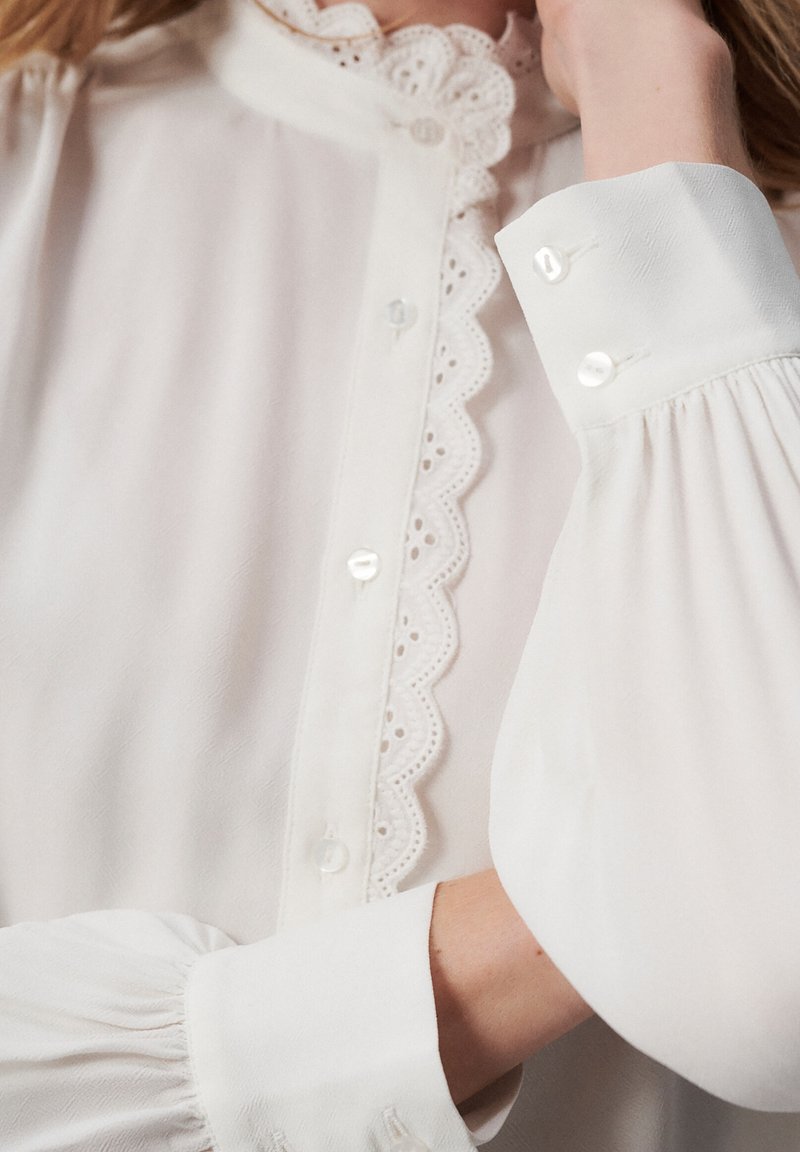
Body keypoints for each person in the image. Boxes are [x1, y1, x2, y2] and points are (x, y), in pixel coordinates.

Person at [0, 0, 799, 1148]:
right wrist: (613, 896)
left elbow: (772, 989)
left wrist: (660, 120)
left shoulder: (766, 269)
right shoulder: (27, 153)